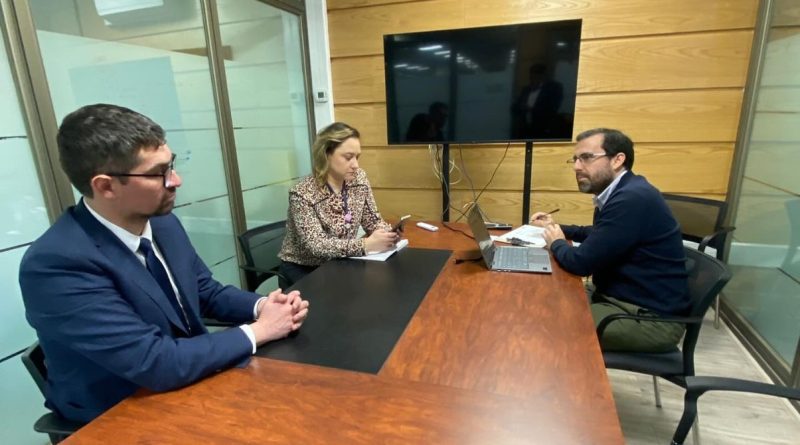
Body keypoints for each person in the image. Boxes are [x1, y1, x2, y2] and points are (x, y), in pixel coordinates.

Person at [19, 104, 309, 423]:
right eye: (158, 173)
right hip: (121, 412)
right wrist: (261, 330)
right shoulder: (56, 265)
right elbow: (154, 362)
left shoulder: (162, 223)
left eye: (171, 165)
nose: (176, 180)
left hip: (190, 380)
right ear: (105, 186)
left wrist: (264, 305)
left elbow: (204, 290)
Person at [530, 128, 689, 352]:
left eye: (586, 157)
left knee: (542, 319)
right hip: (617, 299)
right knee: (541, 299)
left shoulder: (632, 198)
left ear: (617, 160)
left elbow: (581, 264)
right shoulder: (623, 190)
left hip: (648, 319)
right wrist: (557, 228)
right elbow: (602, 233)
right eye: (575, 159)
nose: (577, 167)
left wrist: (556, 242)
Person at [278, 122, 398, 287]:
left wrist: (386, 233)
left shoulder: (359, 179)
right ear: (326, 154)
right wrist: (365, 244)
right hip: (304, 269)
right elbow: (317, 245)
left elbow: (372, 220)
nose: (355, 165)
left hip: (340, 261)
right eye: (348, 157)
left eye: (357, 157)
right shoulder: (302, 193)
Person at [511, 63, 563, 139]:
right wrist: (521, 107)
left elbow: (552, 108)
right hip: (525, 131)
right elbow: (515, 107)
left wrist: (531, 109)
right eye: (532, 76)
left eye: (537, 76)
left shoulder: (554, 88)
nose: (533, 78)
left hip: (544, 131)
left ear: (544, 76)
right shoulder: (526, 89)